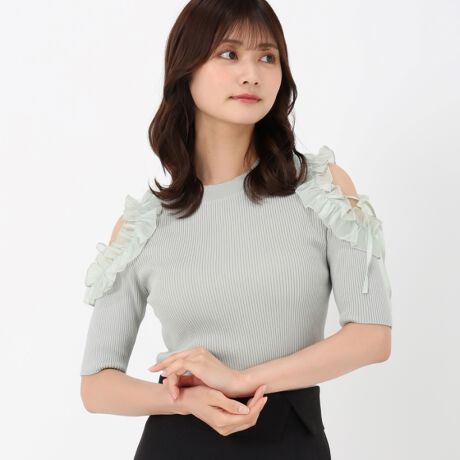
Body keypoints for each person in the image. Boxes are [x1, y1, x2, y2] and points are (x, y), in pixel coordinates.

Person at [79, 0, 392, 458]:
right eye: (229, 54)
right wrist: (184, 401)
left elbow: (372, 336)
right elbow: (96, 385)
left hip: (292, 442)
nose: (251, 74)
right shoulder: (143, 225)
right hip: (177, 443)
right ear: (186, 70)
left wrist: (242, 380)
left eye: (267, 57)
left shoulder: (322, 189)